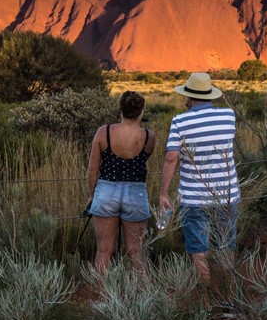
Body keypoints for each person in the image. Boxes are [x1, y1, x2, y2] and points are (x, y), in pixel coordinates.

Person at [157, 72, 241, 285]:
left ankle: (206, 298)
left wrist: (163, 193)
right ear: (210, 94)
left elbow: (171, 158)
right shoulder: (229, 116)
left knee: (198, 248)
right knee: (225, 245)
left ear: (189, 97)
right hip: (227, 195)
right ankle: (227, 296)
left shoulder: (179, 121)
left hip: (194, 198)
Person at [86, 90, 156, 274]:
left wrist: (92, 195)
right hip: (136, 193)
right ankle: (143, 298)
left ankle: (101, 299)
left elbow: (92, 169)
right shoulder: (149, 137)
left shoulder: (104, 132)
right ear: (141, 112)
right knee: (136, 252)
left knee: (103, 250)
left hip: (106, 192)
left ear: (121, 110)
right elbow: (142, 159)